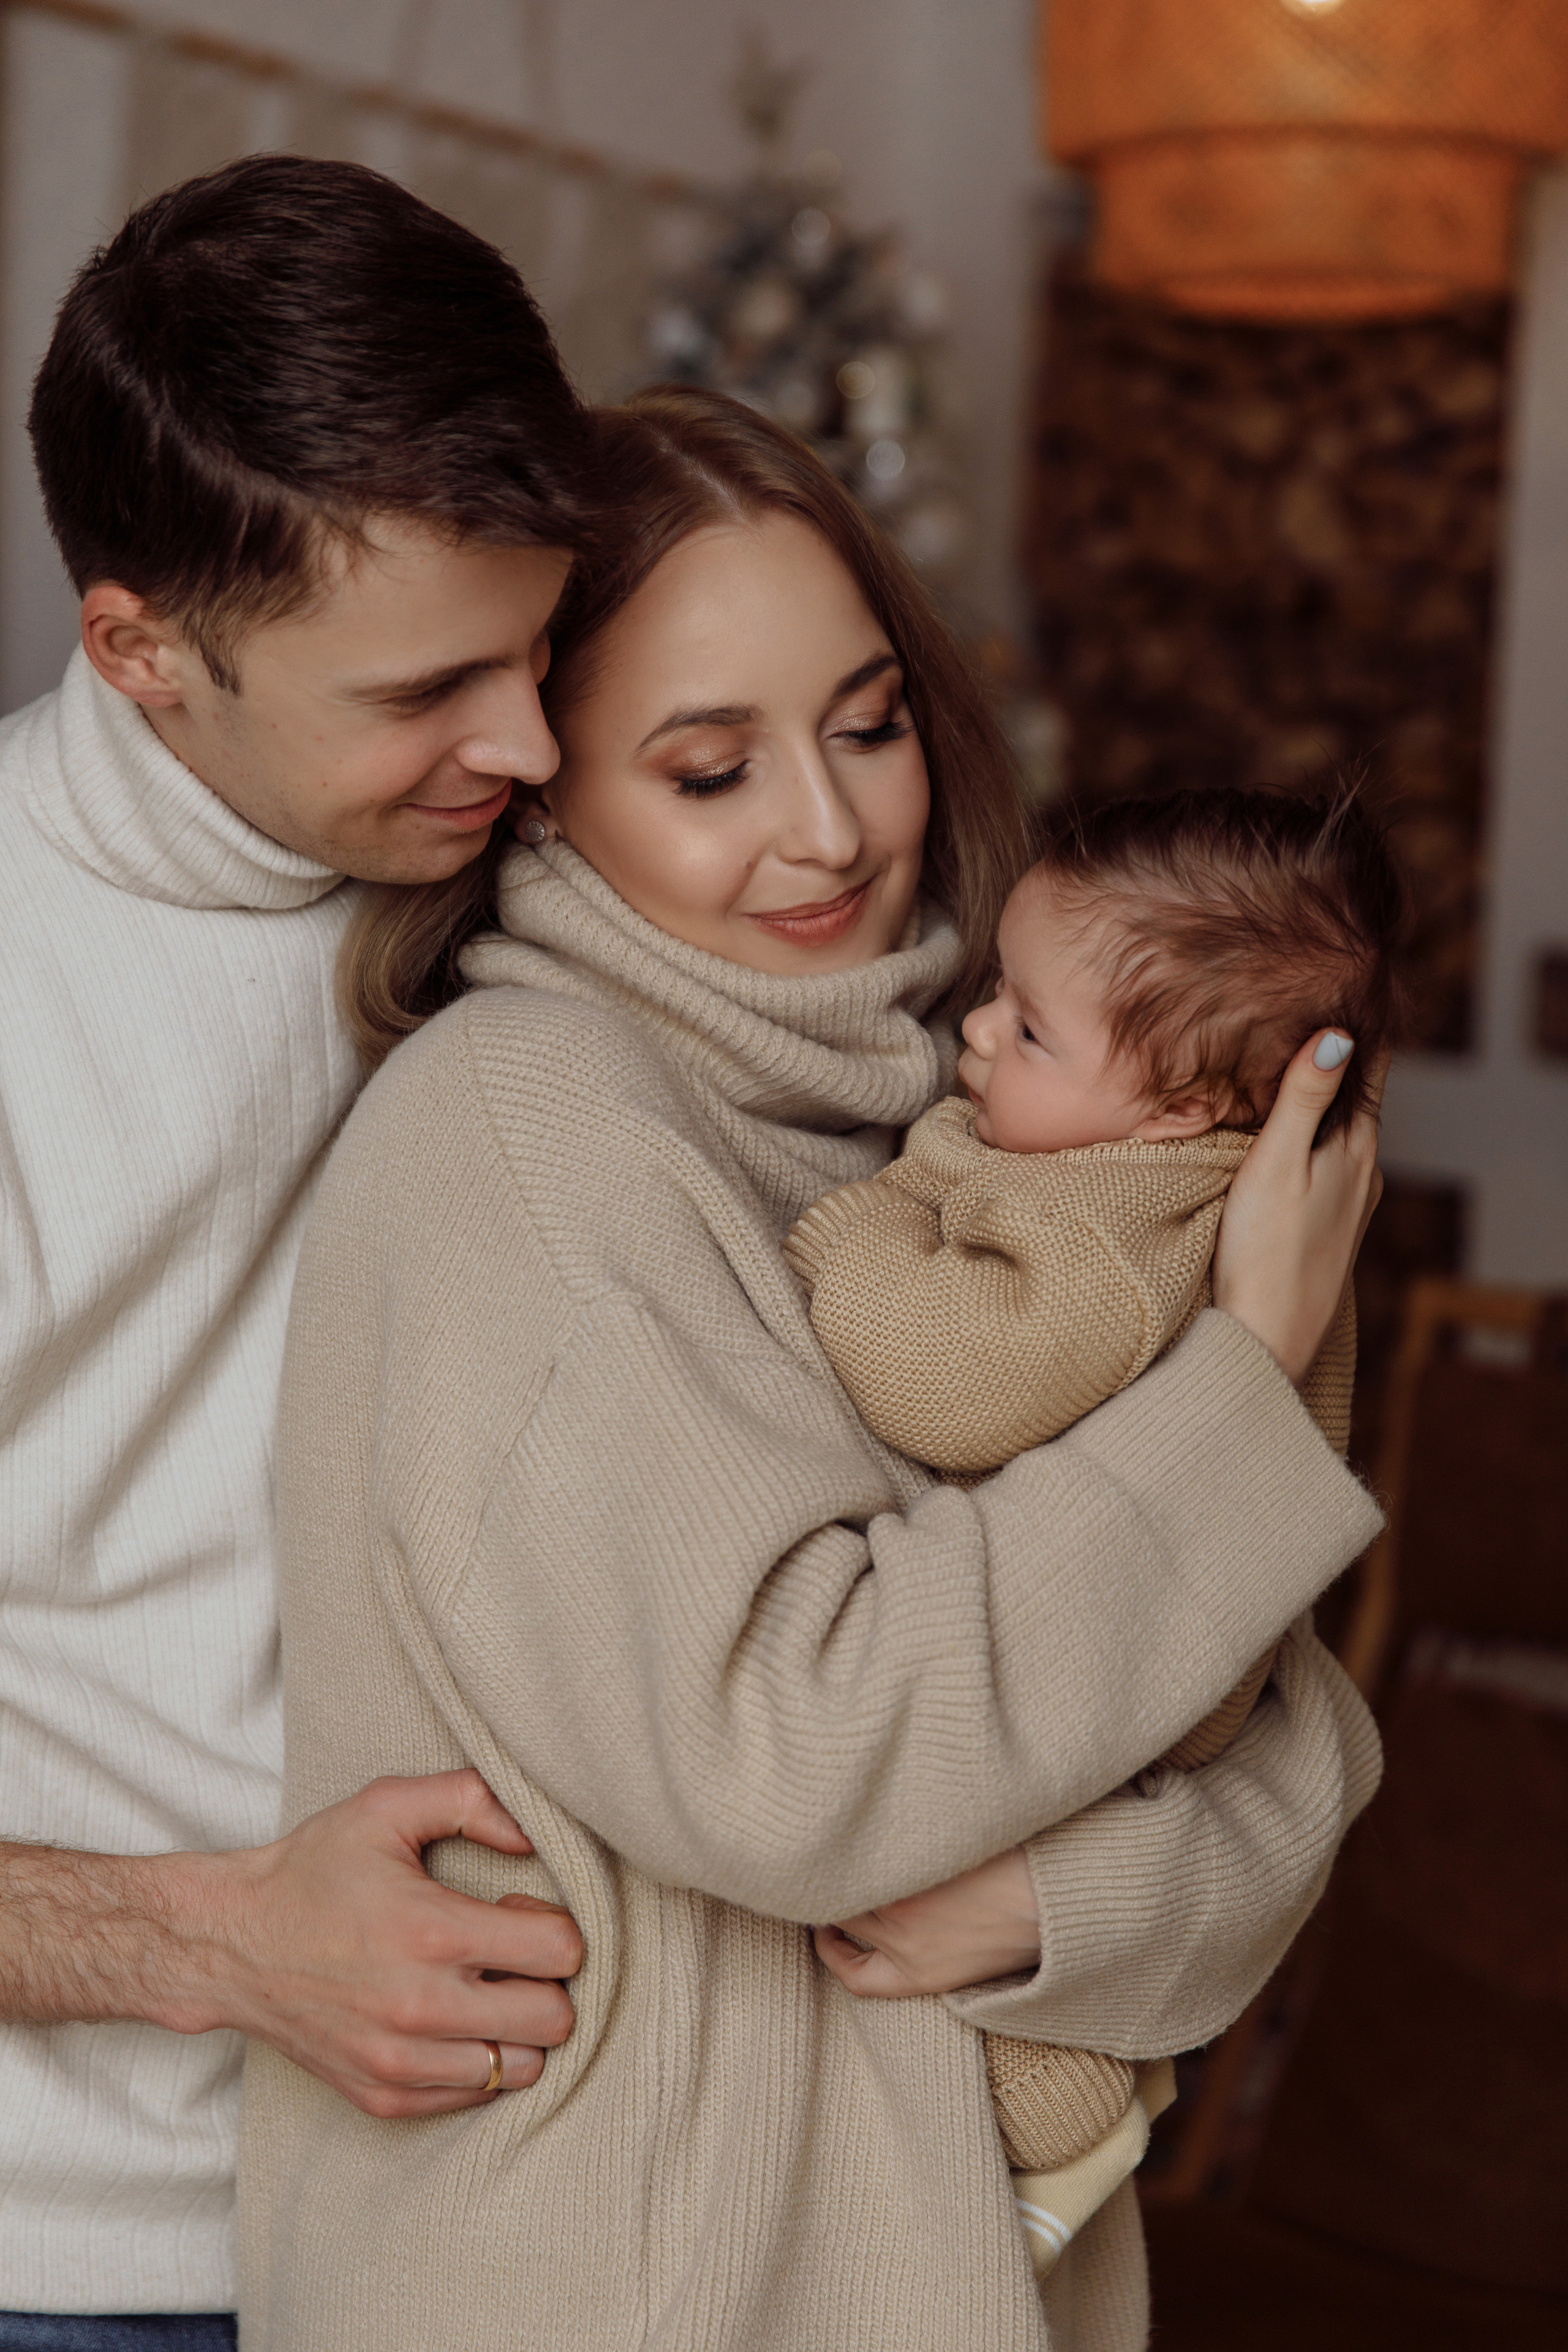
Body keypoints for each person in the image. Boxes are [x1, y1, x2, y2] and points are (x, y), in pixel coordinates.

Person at [240, 388, 1385, 2352]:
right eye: (711, 768)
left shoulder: (991, 1116)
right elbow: (800, 1764)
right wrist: (1249, 1374)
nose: (834, 830)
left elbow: (1299, 1746)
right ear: (544, 789)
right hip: (632, 2289)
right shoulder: (529, 1128)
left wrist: (1057, 1907)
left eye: (867, 727)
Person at [0, 156, 603, 2347]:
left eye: (544, 647)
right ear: (144, 652)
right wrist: (219, 1946)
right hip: (78, 2265)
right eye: (427, 687)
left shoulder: (539, 863)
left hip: (491, 2215)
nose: (531, 744)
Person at [782, 784, 1403, 2267]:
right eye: (997, 990)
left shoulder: (1113, 1232)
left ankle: (1063, 2135)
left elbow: (945, 1379)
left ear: (1180, 1109)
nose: (977, 1031)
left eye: (1030, 1030)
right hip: (1158, 1651)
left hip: (1124, 1669)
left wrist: (844, 1215)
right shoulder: (1184, 1176)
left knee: (983, 1942)